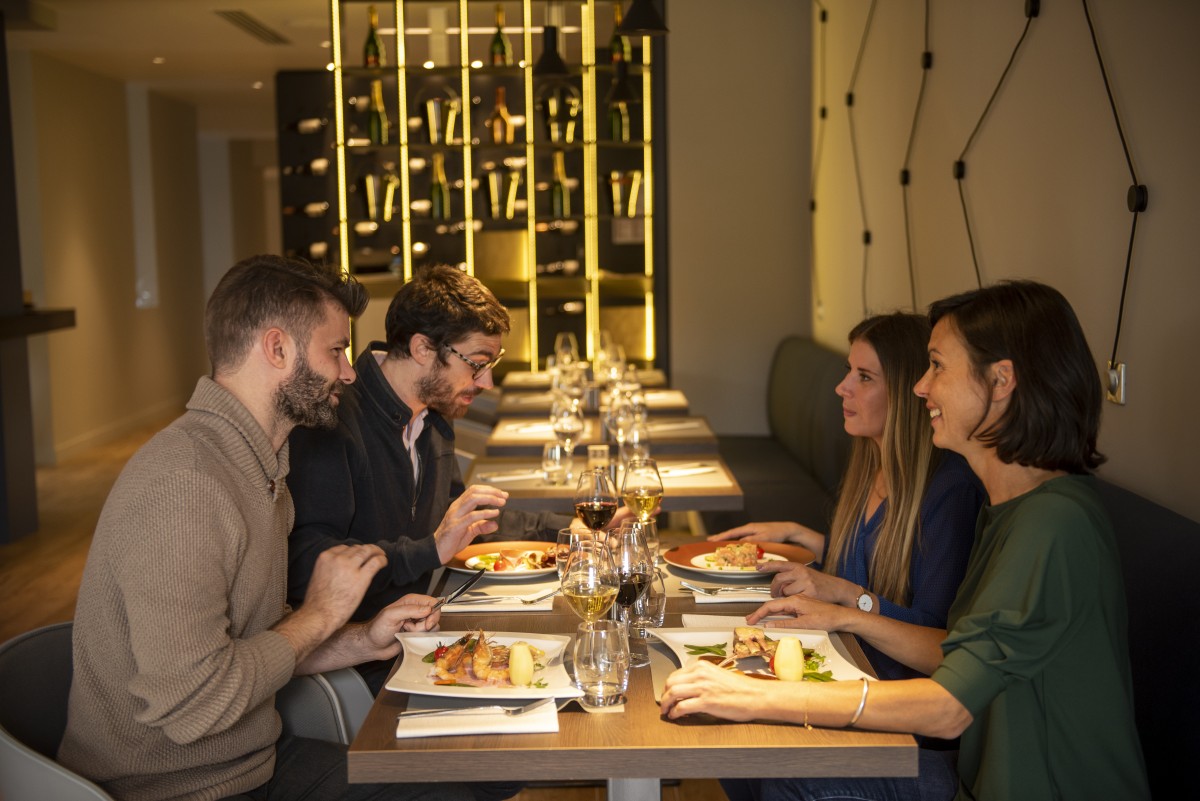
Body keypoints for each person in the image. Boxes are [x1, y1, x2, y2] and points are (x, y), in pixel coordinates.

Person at [662, 281, 1150, 801]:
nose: (920, 387)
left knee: (782, 760)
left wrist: (755, 696)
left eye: (937, 366)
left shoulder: (1053, 525)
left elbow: (946, 708)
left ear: (1001, 380)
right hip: (976, 777)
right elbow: (955, 651)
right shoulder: (1010, 512)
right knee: (752, 743)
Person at [58, 255, 488, 801]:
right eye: (336, 351)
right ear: (278, 348)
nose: (349, 372)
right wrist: (321, 614)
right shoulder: (184, 486)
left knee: (457, 781)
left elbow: (261, 646)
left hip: (252, 762)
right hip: (172, 788)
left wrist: (363, 638)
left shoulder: (263, 470)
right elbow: (194, 706)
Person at [287, 265, 590, 693]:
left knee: (572, 660)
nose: (487, 381)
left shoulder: (431, 418)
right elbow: (306, 565)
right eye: (477, 364)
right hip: (358, 666)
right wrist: (427, 551)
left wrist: (568, 531)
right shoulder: (333, 420)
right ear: (422, 348)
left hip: (422, 636)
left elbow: (461, 524)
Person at [710, 313, 984, 681]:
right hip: (841, 657)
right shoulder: (870, 463)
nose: (842, 388)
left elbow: (936, 640)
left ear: (909, 391)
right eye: (848, 371)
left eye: (865, 377)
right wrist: (801, 536)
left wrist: (848, 597)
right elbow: (872, 560)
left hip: (884, 686)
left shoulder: (951, 490)